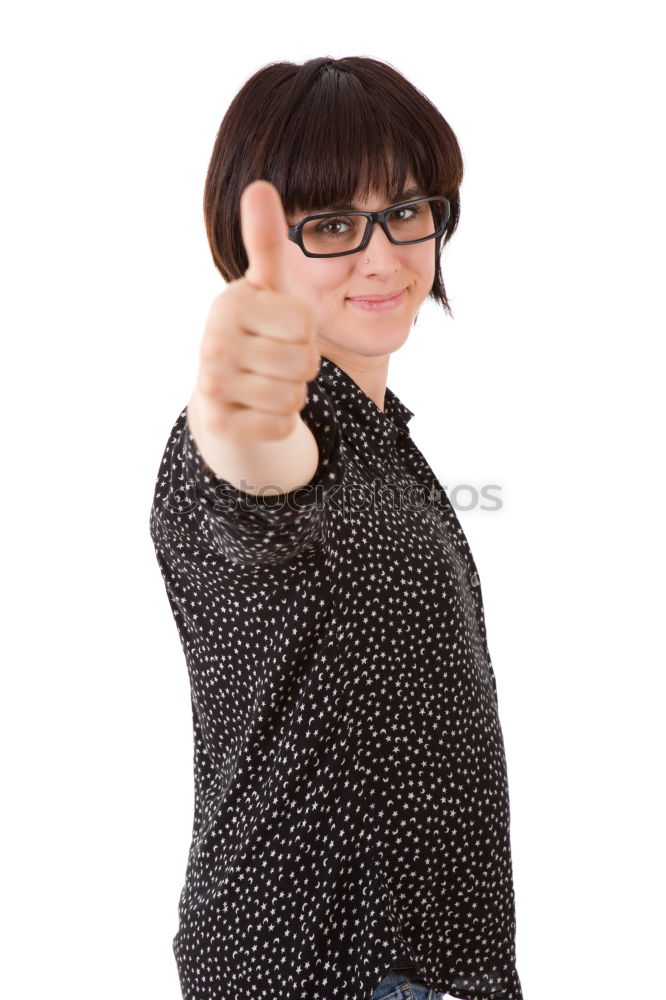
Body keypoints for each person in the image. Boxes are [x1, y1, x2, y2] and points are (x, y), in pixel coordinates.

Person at [149, 56, 523, 1000]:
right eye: (329, 225)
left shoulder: (383, 435)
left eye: (404, 210)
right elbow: (252, 481)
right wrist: (235, 421)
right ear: (252, 247)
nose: (381, 256)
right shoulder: (275, 430)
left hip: (434, 965)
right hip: (330, 972)